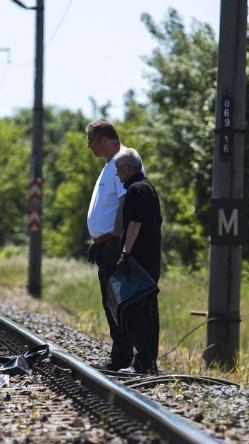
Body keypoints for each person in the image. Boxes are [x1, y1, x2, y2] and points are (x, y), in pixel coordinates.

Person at [85, 119, 143, 371]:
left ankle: (123, 356)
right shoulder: (111, 164)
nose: (89, 147)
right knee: (110, 301)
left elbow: (124, 202)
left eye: (92, 141)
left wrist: (117, 241)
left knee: (117, 301)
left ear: (106, 139)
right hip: (104, 244)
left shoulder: (123, 161)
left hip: (113, 243)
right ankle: (120, 354)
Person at [114, 147, 162, 374]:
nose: (117, 175)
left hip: (138, 262)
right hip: (151, 261)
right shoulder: (149, 188)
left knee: (135, 312)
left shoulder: (135, 191)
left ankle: (142, 363)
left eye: (118, 170)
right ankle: (148, 361)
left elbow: (135, 224)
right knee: (149, 311)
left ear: (127, 168)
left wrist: (125, 253)